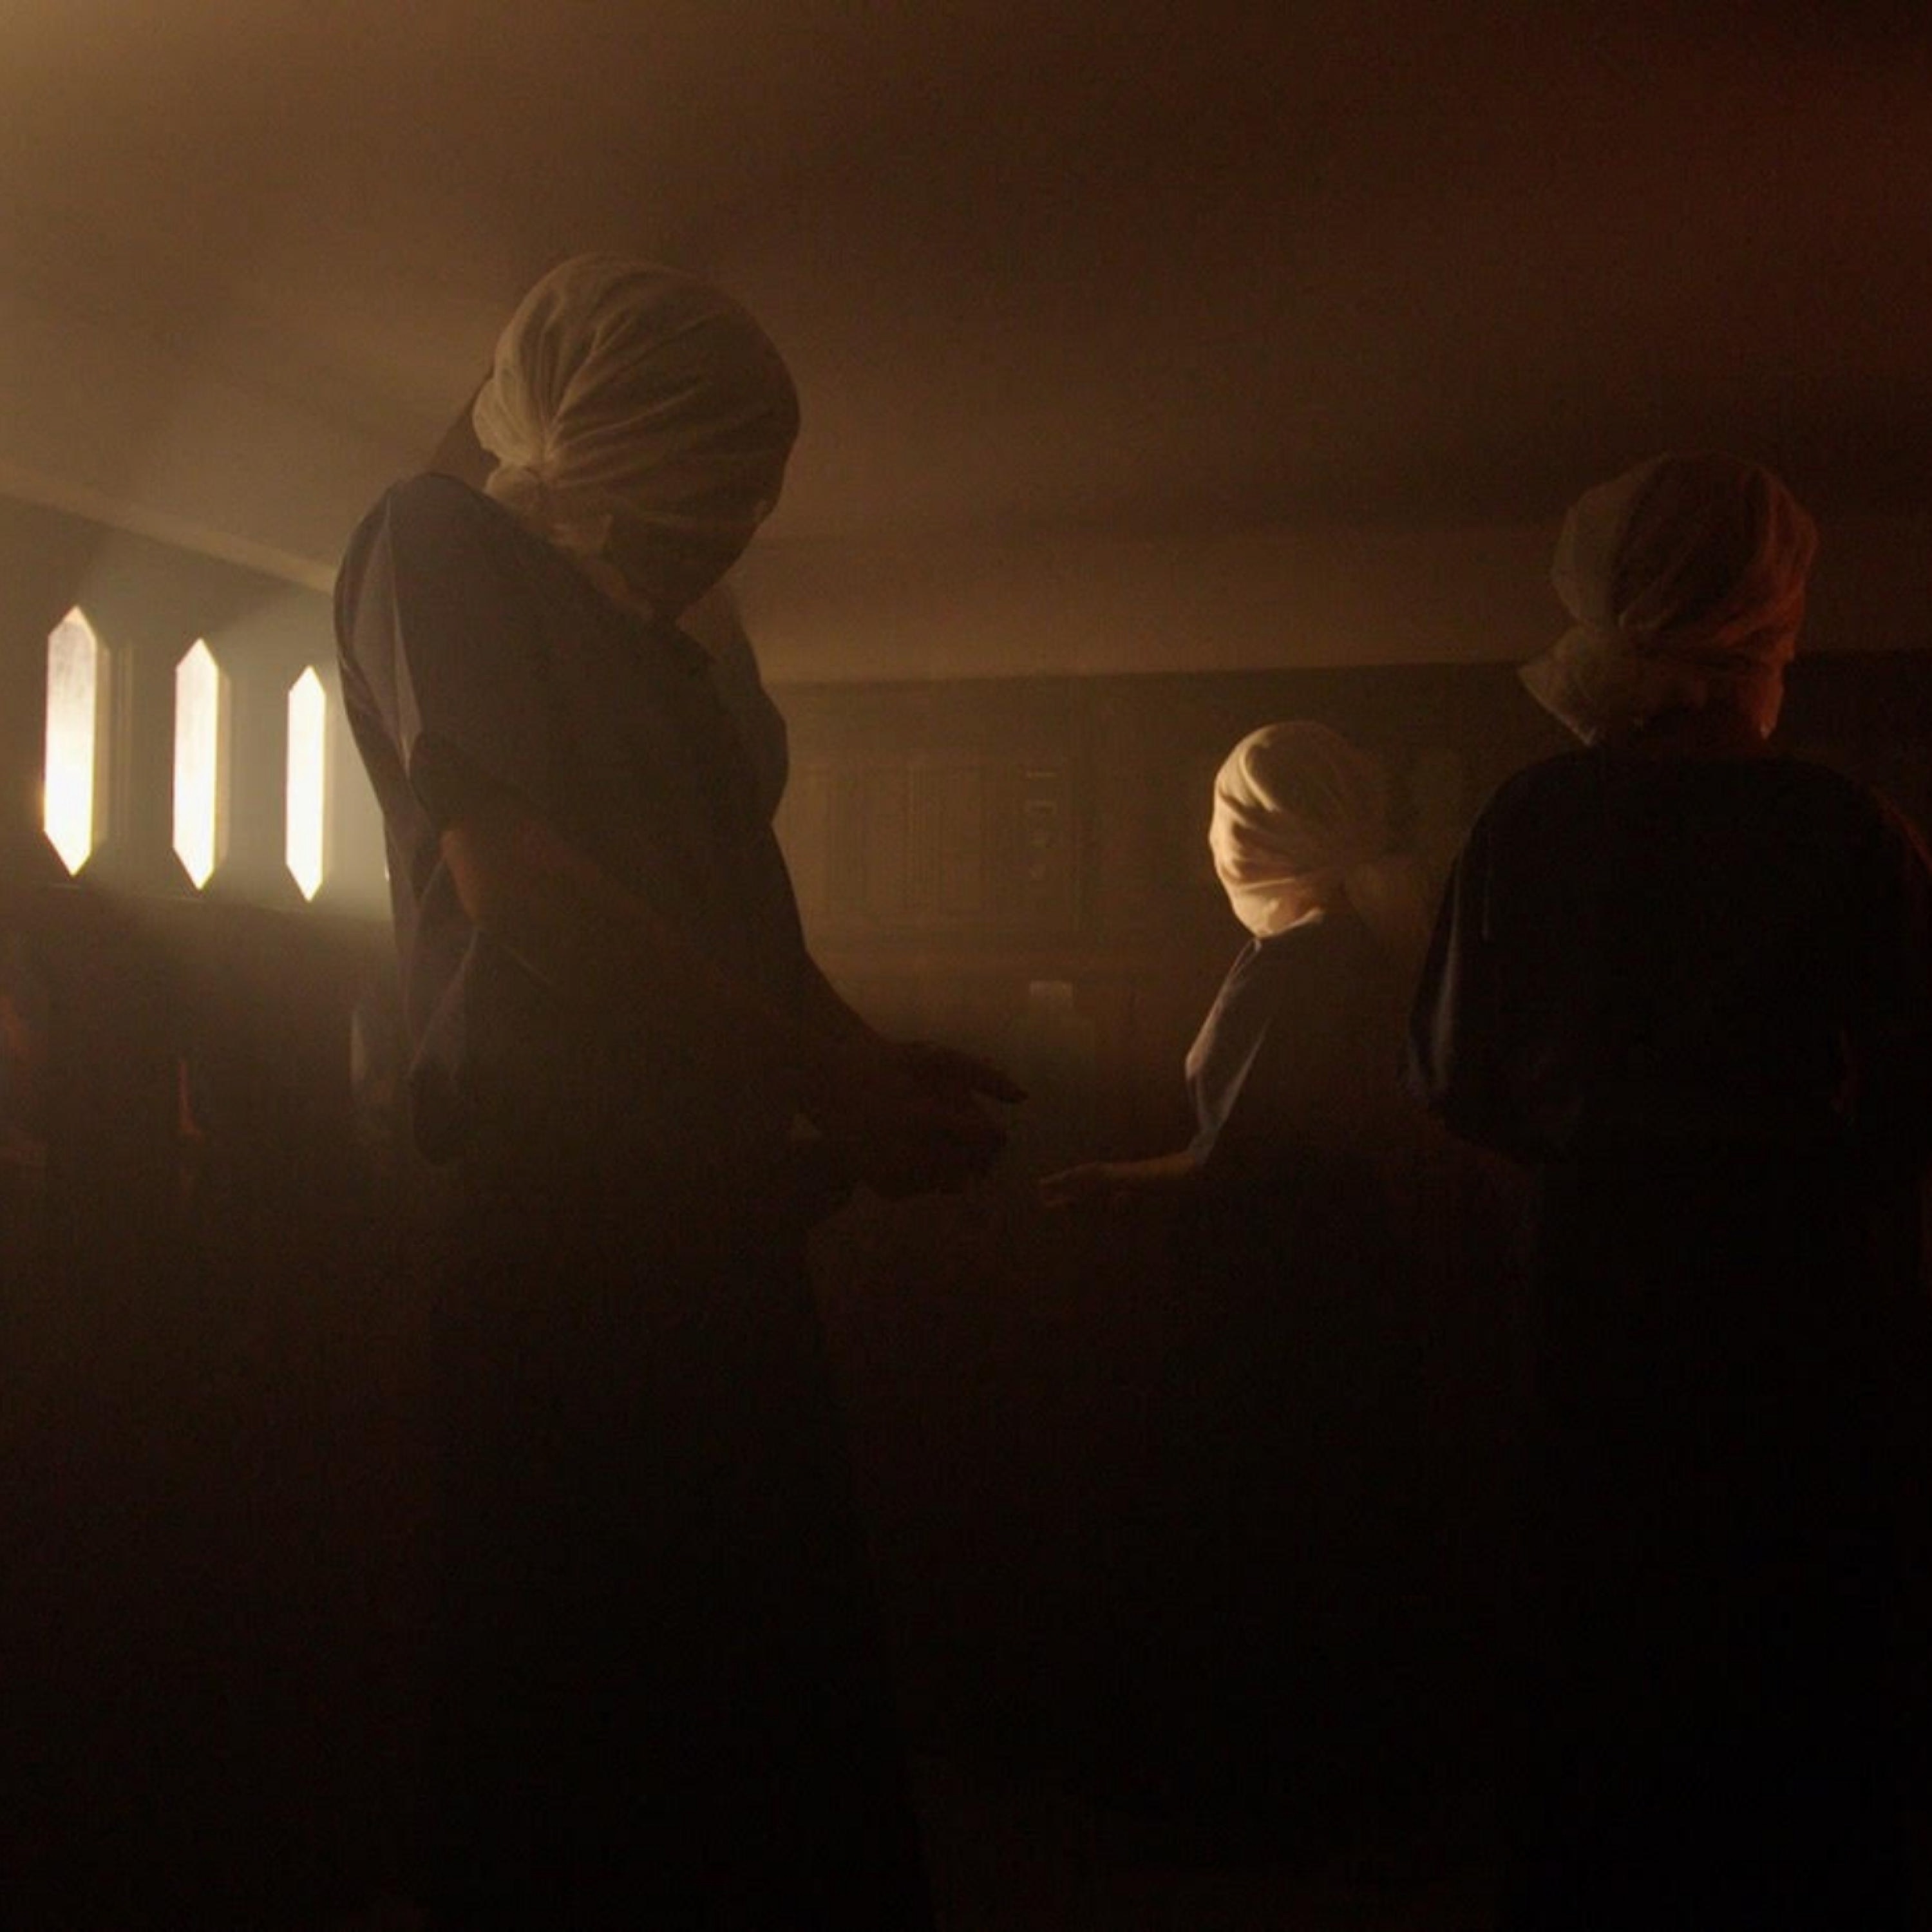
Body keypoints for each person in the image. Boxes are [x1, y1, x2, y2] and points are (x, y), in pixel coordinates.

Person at [336, 254, 1018, 1929]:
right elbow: (527, 892)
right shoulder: (437, 540)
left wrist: (858, 1062)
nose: (740, 527)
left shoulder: (662, 652)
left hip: (705, 1231)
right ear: (624, 444)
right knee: (594, 1723)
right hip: (569, 1245)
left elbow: (738, 925)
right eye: (720, 481)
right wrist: (828, 1076)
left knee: (742, 1711)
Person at [1408, 453, 1932, 1930]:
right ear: (1769, 625)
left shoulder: (1529, 823)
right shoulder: (1840, 831)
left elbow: (1454, 1075)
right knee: (1790, 1635)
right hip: (1802, 1306)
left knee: (1607, 1630)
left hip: (1597, 1293)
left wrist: (1606, 1149)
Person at [1041, 722, 1442, 1839]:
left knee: (1258, 1532)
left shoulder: (1306, 963)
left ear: (1258, 833)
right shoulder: (1344, 947)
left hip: (1278, 1289)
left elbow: (1246, 1160)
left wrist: (1115, 1182)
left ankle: (1252, 1800)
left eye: (1224, 817)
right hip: (1327, 1275)